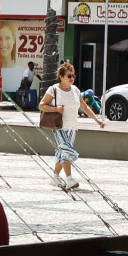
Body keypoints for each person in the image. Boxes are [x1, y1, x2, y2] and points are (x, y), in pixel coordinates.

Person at [39, 61, 105, 191]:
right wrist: (56, 109)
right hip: (59, 126)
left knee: (62, 152)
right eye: (69, 76)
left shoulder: (75, 90)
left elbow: (84, 107)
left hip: (72, 127)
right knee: (67, 152)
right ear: (61, 76)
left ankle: (55, 177)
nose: (72, 78)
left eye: (73, 76)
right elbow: (41, 105)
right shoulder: (53, 89)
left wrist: (97, 119)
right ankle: (69, 179)